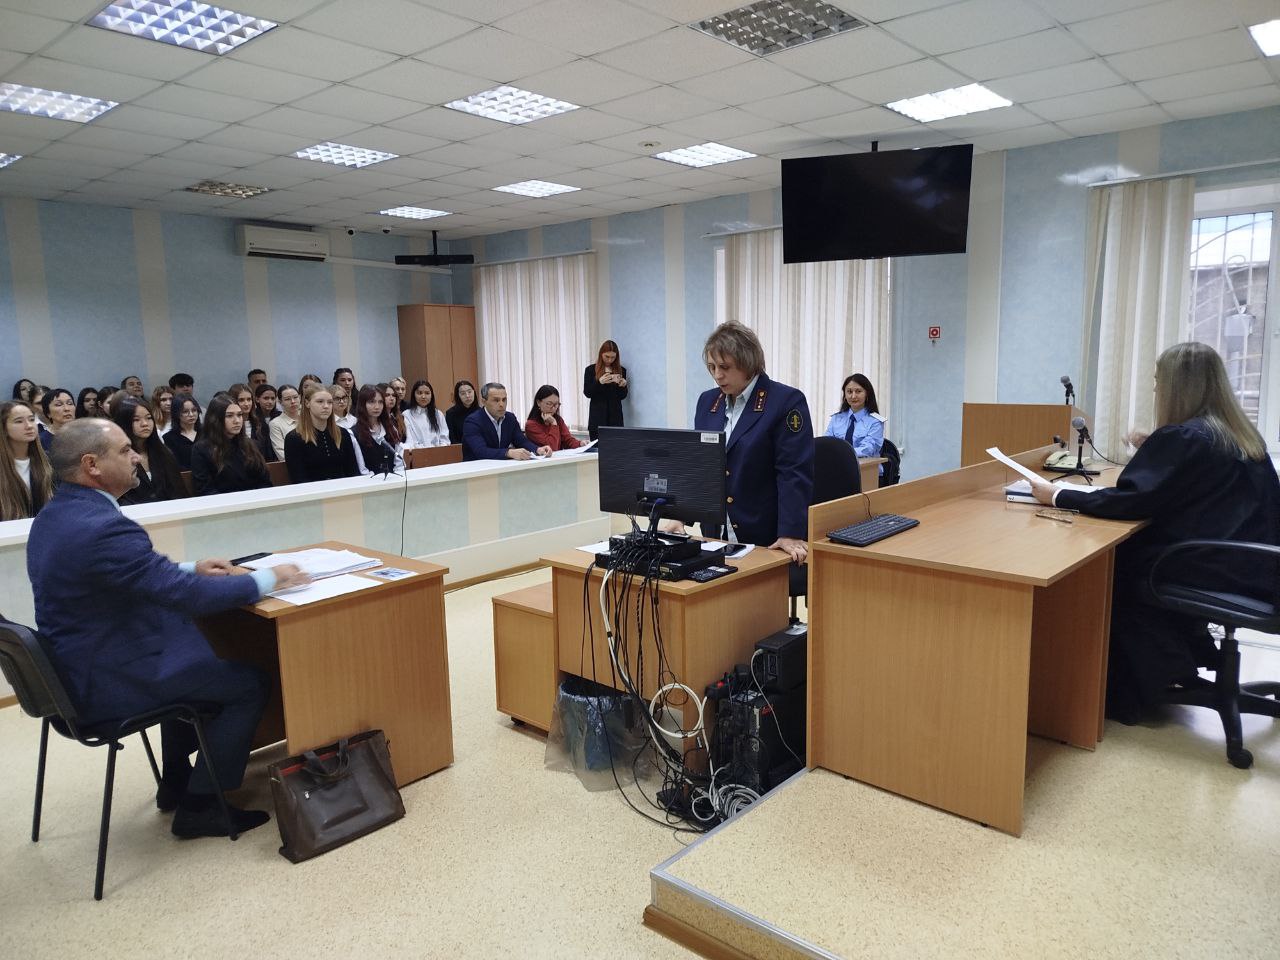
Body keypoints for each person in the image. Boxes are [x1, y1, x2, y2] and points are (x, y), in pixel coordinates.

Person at [27, 418, 309, 837]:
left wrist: (190, 568)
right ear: (92, 465)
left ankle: (176, 781)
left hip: (78, 671)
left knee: (195, 658)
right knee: (248, 682)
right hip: (108, 682)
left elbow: (124, 574)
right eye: (124, 450)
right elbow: (186, 597)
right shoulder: (102, 527)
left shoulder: (56, 515)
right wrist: (269, 579)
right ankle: (201, 805)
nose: (137, 457)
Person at [1029, 341, 1280, 723]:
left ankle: (1128, 690)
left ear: (1177, 387)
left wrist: (1058, 494)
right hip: (1251, 566)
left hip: (1209, 566)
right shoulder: (1238, 434)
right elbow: (1197, 482)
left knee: (1106, 569)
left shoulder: (1185, 438)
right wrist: (1157, 448)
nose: (1155, 389)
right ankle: (1170, 665)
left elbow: (1131, 501)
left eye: (1159, 381)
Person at [690, 322, 814, 563]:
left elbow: (793, 472)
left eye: (725, 367)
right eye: (712, 367)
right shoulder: (707, 402)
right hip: (716, 534)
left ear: (747, 363)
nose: (717, 375)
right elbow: (701, 465)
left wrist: (790, 532)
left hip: (765, 535)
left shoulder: (786, 401)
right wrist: (680, 516)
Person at [191, 393, 272, 496]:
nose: (237, 421)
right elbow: (205, 490)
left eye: (239, 415)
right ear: (215, 419)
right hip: (223, 503)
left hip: (255, 501)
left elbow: (265, 482)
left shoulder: (252, 445)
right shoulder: (202, 449)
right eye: (229, 416)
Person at [112, 397, 187, 505]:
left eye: (148, 418)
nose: (145, 424)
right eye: (136, 420)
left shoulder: (164, 453)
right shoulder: (116, 459)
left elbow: (178, 491)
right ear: (124, 422)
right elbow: (118, 498)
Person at [285, 385, 360, 483]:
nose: (326, 406)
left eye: (330, 402)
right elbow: (298, 478)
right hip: (313, 491)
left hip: (344, 488)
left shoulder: (343, 434)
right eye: (320, 401)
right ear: (307, 403)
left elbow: (353, 471)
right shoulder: (294, 438)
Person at [463, 382, 550, 461]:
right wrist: (508, 452)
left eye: (504, 400)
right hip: (476, 468)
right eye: (496, 400)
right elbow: (481, 451)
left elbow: (521, 441)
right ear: (484, 402)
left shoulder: (510, 418)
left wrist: (537, 449)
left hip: (502, 467)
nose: (501, 404)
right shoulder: (472, 422)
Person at [1, 400, 55, 521]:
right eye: (19, 421)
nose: (29, 426)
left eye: (31, 419)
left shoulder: (49, 461)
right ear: (3, 428)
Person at [824, 373, 885, 475]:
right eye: (849, 392)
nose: (853, 396)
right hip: (838, 469)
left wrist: (842, 454)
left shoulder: (875, 421)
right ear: (845, 395)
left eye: (858, 391)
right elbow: (827, 444)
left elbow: (868, 449)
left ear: (867, 393)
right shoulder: (836, 419)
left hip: (867, 472)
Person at [353, 384, 404, 475]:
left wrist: (397, 477)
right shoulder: (354, 433)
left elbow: (399, 462)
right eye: (371, 402)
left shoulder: (390, 428)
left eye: (380, 402)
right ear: (362, 404)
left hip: (394, 479)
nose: (377, 407)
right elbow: (362, 469)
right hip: (370, 481)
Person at [583, 339, 628, 440]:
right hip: (597, 420)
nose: (609, 360)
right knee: (597, 449)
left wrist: (623, 385)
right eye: (607, 356)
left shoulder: (621, 370)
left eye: (613, 357)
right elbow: (587, 393)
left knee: (616, 448)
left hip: (615, 420)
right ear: (601, 354)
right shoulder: (590, 370)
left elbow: (623, 396)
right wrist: (599, 382)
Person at [524, 385, 582, 452]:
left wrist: (580, 444)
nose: (553, 408)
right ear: (538, 402)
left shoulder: (558, 419)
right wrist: (554, 424)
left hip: (558, 457)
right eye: (549, 404)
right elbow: (552, 448)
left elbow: (568, 441)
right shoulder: (531, 425)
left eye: (556, 404)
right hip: (543, 458)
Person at [402, 379, 450, 449]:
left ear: (431, 395)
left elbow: (444, 438)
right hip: (418, 452)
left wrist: (439, 450)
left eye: (427, 393)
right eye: (419, 393)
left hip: (439, 452)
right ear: (414, 395)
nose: (423, 396)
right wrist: (426, 452)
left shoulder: (438, 414)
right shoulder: (407, 415)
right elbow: (410, 441)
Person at [164, 393, 201, 470]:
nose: (191, 414)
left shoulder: (207, 432)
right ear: (176, 414)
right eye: (185, 411)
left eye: (194, 410)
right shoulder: (169, 438)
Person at [269, 384, 302, 461]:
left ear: (300, 397)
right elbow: (282, 454)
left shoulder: (309, 417)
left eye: (295, 397)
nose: (293, 401)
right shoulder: (275, 423)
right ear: (280, 402)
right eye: (287, 399)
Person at [445, 379, 479, 444]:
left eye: (469, 392)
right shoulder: (451, 414)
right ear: (458, 396)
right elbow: (451, 438)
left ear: (474, 392)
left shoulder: (481, 412)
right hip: (460, 448)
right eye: (463, 393)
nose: (467, 396)